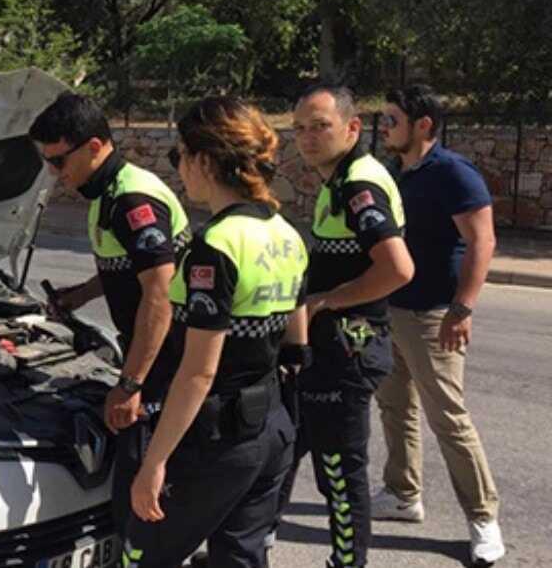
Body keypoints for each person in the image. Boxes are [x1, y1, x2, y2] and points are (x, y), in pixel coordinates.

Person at [122, 96, 308, 568]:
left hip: (216, 440)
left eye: (178, 155)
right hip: (269, 430)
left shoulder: (216, 246)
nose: (177, 168)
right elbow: (297, 339)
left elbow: (198, 374)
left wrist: (154, 463)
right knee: (239, 558)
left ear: (204, 160)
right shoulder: (287, 234)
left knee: (141, 555)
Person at [27, 92, 191, 531]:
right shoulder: (106, 192)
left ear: (95, 147)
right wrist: (79, 295)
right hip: (153, 355)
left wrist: (130, 384)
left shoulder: (132, 200)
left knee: (145, 493)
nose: (53, 172)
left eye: (59, 161)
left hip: (170, 360)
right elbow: (132, 270)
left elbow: (158, 295)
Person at [278, 85, 415, 568]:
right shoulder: (341, 179)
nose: (307, 138)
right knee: (282, 453)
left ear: (352, 128)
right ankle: (250, 550)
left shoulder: (359, 185)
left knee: (338, 473)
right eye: (299, 128)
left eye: (320, 126)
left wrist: (324, 301)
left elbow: (398, 269)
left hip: (346, 354)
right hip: (323, 353)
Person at [373, 85, 504, 563]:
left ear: (423, 124)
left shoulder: (453, 173)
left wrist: (462, 308)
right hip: (390, 309)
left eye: (392, 120)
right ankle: (403, 495)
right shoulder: (394, 173)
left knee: (449, 418)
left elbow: (482, 242)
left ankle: (483, 519)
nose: (384, 128)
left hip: (434, 317)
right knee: (394, 408)